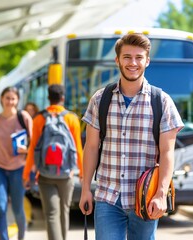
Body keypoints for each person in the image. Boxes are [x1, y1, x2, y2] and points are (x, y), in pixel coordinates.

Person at [79, 33, 184, 240]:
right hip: (108, 197)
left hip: (145, 199)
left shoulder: (162, 101)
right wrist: (85, 190)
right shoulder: (100, 99)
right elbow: (91, 147)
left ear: (147, 60)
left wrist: (161, 194)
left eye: (139, 57)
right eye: (127, 57)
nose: (133, 63)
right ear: (117, 60)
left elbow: (167, 152)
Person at [22, 84, 83, 240]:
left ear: (48, 98)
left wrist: (27, 174)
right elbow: (78, 148)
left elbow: (33, 148)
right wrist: (82, 173)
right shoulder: (72, 118)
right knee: (64, 211)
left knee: (51, 214)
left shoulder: (39, 119)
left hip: (45, 175)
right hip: (66, 174)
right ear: (62, 98)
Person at [0, 86, 33, 240]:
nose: (10, 102)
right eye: (7, 98)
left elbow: (34, 145)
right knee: (0, 206)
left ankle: (21, 236)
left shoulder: (24, 117)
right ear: (1, 99)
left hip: (18, 168)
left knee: (18, 209)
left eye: (13, 98)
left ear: (17, 100)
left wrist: (25, 151)